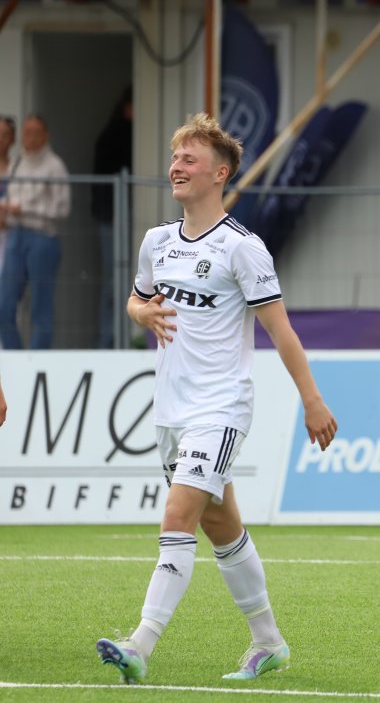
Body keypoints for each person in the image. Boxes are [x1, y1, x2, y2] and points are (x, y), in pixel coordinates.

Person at [96, 113, 338, 683]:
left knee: (178, 515)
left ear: (220, 173)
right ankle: (269, 642)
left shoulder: (242, 248)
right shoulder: (157, 242)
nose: (176, 167)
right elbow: (137, 300)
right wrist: (141, 312)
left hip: (220, 407)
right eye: (175, 157)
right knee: (221, 525)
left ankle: (140, 644)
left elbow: (281, 330)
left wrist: (312, 400)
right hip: (169, 410)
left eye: (189, 159)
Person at [0, 115, 70, 349]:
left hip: (42, 237)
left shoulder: (54, 165)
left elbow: (62, 208)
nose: (29, 137)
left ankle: (38, 356)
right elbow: (10, 195)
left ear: (45, 135)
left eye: (35, 132)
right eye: (26, 132)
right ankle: (15, 356)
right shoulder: (18, 161)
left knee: (41, 305)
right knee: (4, 304)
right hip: (15, 235)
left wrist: (26, 209)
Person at [93, 87, 134, 349]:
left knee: (124, 282)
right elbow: (107, 181)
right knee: (114, 282)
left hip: (115, 214)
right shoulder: (116, 136)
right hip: (113, 216)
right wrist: (113, 213)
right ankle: (109, 340)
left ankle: (120, 339)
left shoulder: (114, 134)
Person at [0, 116, 16, 284]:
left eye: (5, 134)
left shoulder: (18, 168)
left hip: (8, 234)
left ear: (12, 139)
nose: (1, 139)